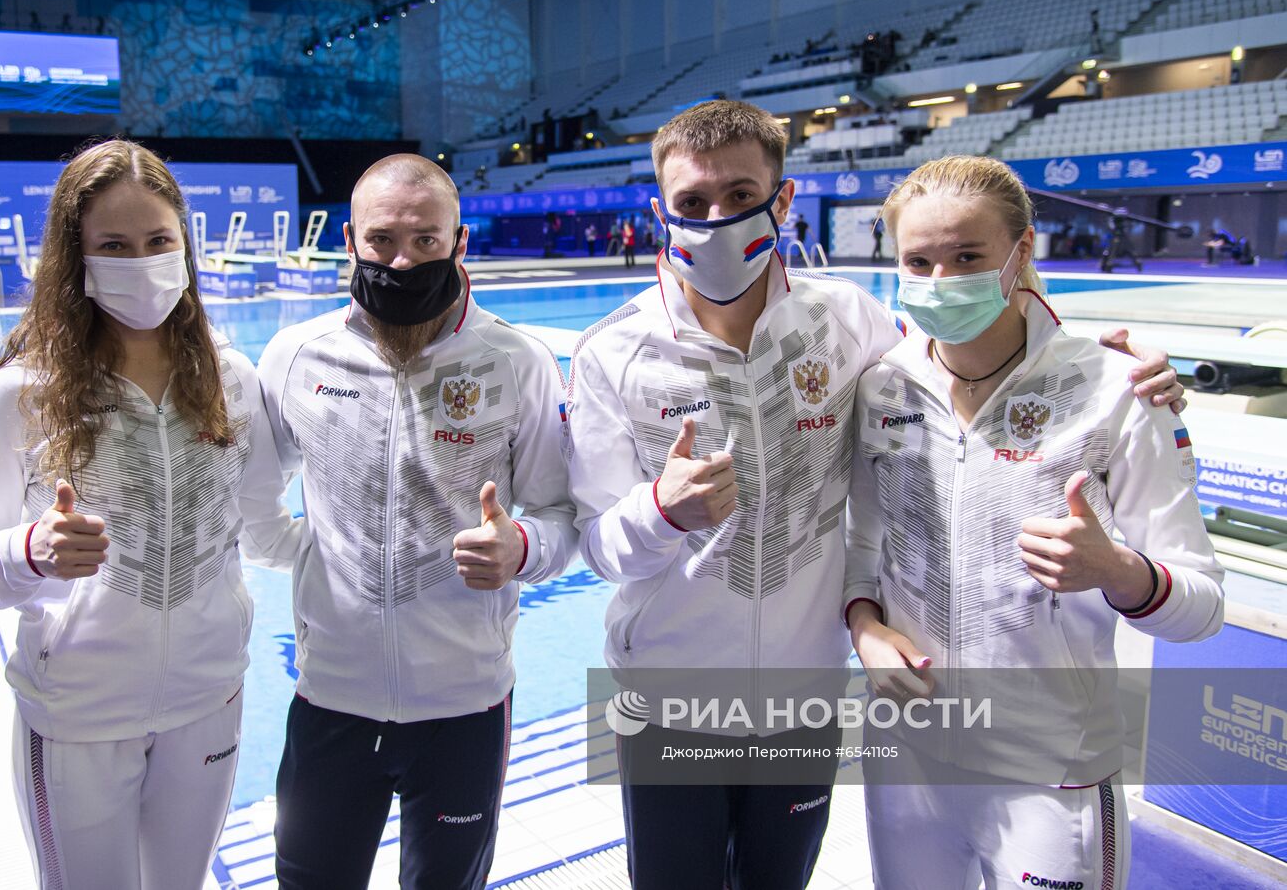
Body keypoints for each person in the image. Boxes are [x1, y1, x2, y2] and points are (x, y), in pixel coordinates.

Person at [566, 102, 1185, 890]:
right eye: (692, 204)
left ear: (782, 200)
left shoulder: (848, 320)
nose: (715, 219)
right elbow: (597, 546)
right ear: (660, 211)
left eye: (740, 194)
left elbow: (966, 354)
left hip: (806, 698)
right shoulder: (611, 352)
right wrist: (658, 511)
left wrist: (1110, 363)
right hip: (669, 703)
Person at [0, 139, 303, 889]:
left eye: (159, 241)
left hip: (209, 700)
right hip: (78, 720)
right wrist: (28, 552)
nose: (142, 260)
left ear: (185, 246)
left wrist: (381, 543)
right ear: (78, 258)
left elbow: (264, 530)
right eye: (114, 245)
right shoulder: (20, 395)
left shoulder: (232, 379)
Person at [844, 155, 1224, 890]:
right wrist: (865, 627)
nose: (940, 278)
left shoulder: (1117, 391)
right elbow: (863, 544)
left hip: (1051, 769)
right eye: (918, 260)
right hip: (906, 755)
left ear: (1023, 251)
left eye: (966, 256)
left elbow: (1201, 608)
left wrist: (1118, 571)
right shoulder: (883, 386)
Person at [258, 154, 578, 889]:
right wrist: (316, 557)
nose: (403, 260)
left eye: (426, 241)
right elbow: (250, 504)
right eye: (382, 241)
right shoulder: (297, 355)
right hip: (331, 697)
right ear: (350, 239)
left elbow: (563, 517)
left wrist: (521, 546)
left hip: (465, 704)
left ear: (460, 242)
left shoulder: (516, 360)